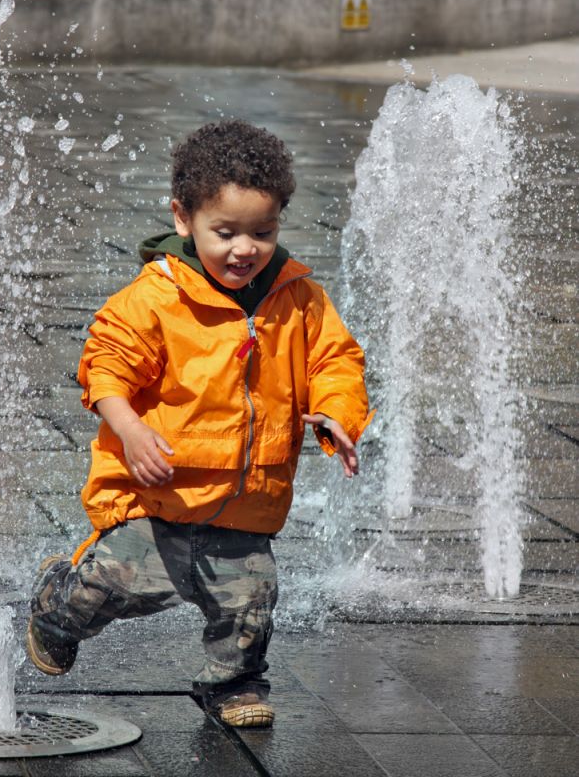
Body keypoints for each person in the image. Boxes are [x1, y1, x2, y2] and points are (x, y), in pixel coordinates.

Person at [27, 119, 374, 728]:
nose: (246, 248)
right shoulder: (157, 297)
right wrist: (131, 431)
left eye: (263, 232)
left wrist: (335, 415)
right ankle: (55, 608)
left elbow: (334, 360)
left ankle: (233, 686)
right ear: (183, 219)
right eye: (226, 232)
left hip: (246, 505)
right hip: (159, 499)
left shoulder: (298, 298)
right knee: (106, 589)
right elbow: (104, 365)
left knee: (250, 602)